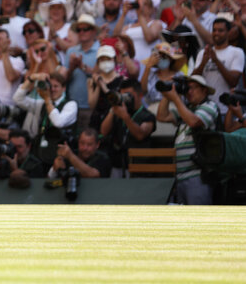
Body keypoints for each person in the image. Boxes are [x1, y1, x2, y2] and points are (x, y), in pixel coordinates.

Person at [156, 75, 218, 204]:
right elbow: (162, 116)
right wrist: (167, 95)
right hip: (179, 177)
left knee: (199, 220)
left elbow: (194, 122)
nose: (189, 92)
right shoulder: (186, 109)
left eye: (193, 88)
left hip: (197, 175)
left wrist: (176, 99)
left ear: (204, 90)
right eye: (187, 88)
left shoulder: (210, 106)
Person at [13, 71, 78, 165]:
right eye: (50, 86)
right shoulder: (41, 105)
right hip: (42, 154)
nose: (52, 89)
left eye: (56, 86)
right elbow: (17, 99)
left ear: (64, 88)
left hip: (61, 156)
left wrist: (47, 99)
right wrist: (32, 78)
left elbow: (58, 122)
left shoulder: (71, 104)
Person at [100, 78, 156, 177]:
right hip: (117, 164)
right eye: (123, 96)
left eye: (129, 95)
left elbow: (140, 135)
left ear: (140, 95)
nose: (126, 99)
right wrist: (113, 109)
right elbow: (103, 131)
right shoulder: (118, 112)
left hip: (138, 167)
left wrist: (126, 117)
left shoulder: (147, 116)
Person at [192, 17, 244, 115]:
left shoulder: (237, 52)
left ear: (228, 32)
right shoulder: (203, 53)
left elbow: (233, 82)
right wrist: (203, 62)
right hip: (205, 109)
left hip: (226, 110)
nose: (216, 33)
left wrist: (216, 61)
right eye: (214, 30)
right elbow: (194, 80)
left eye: (220, 30)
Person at [47, 127, 112, 179]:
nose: (85, 148)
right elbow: (49, 179)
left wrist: (70, 156)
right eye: (82, 143)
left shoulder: (103, 158)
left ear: (97, 144)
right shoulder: (69, 153)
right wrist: (54, 169)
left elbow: (93, 175)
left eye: (89, 144)